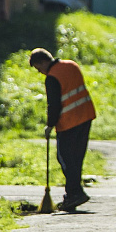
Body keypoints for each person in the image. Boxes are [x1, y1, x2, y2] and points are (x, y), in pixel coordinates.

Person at [29, 48, 97, 211]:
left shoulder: (52, 77)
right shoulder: (72, 65)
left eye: (39, 69)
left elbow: (54, 104)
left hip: (69, 122)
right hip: (86, 116)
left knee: (65, 158)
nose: (41, 73)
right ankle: (72, 194)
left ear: (43, 62)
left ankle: (75, 193)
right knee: (77, 158)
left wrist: (50, 125)